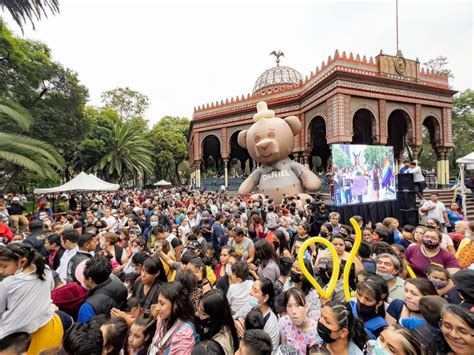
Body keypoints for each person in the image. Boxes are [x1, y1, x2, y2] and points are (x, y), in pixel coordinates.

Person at [0, 243, 64, 354]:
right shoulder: (46, 270)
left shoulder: (9, 283)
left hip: (16, 337)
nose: (0, 270)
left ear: (22, 262)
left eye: (4, 266)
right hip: (49, 325)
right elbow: (51, 287)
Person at [148, 281, 199, 354]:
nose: (157, 308)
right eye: (158, 302)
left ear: (176, 305)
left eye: (162, 304)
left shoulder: (184, 334)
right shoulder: (163, 318)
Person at [234, 278, 280, 352]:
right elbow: (235, 316)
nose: (250, 292)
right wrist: (235, 322)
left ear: (265, 298)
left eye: (255, 291)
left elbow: (272, 350)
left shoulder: (271, 323)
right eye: (252, 288)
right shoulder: (251, 304)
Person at [77, 256, 128, 323]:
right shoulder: (120, 285)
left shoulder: (87, 307)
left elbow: (82, 330)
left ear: (90, 280)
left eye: (84, 276)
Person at [197, 289, 239, 355]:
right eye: (198, 307)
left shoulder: (221, 343)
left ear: (215, 315)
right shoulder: (222, 321)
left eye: (204, 313)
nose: (198, 312)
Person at [279, 287, 318, 354]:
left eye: (297, 305)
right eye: (289, 306)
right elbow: (284, 349)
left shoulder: (316, 331)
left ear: (306, 308)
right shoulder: (284, 322)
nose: (293, 311)